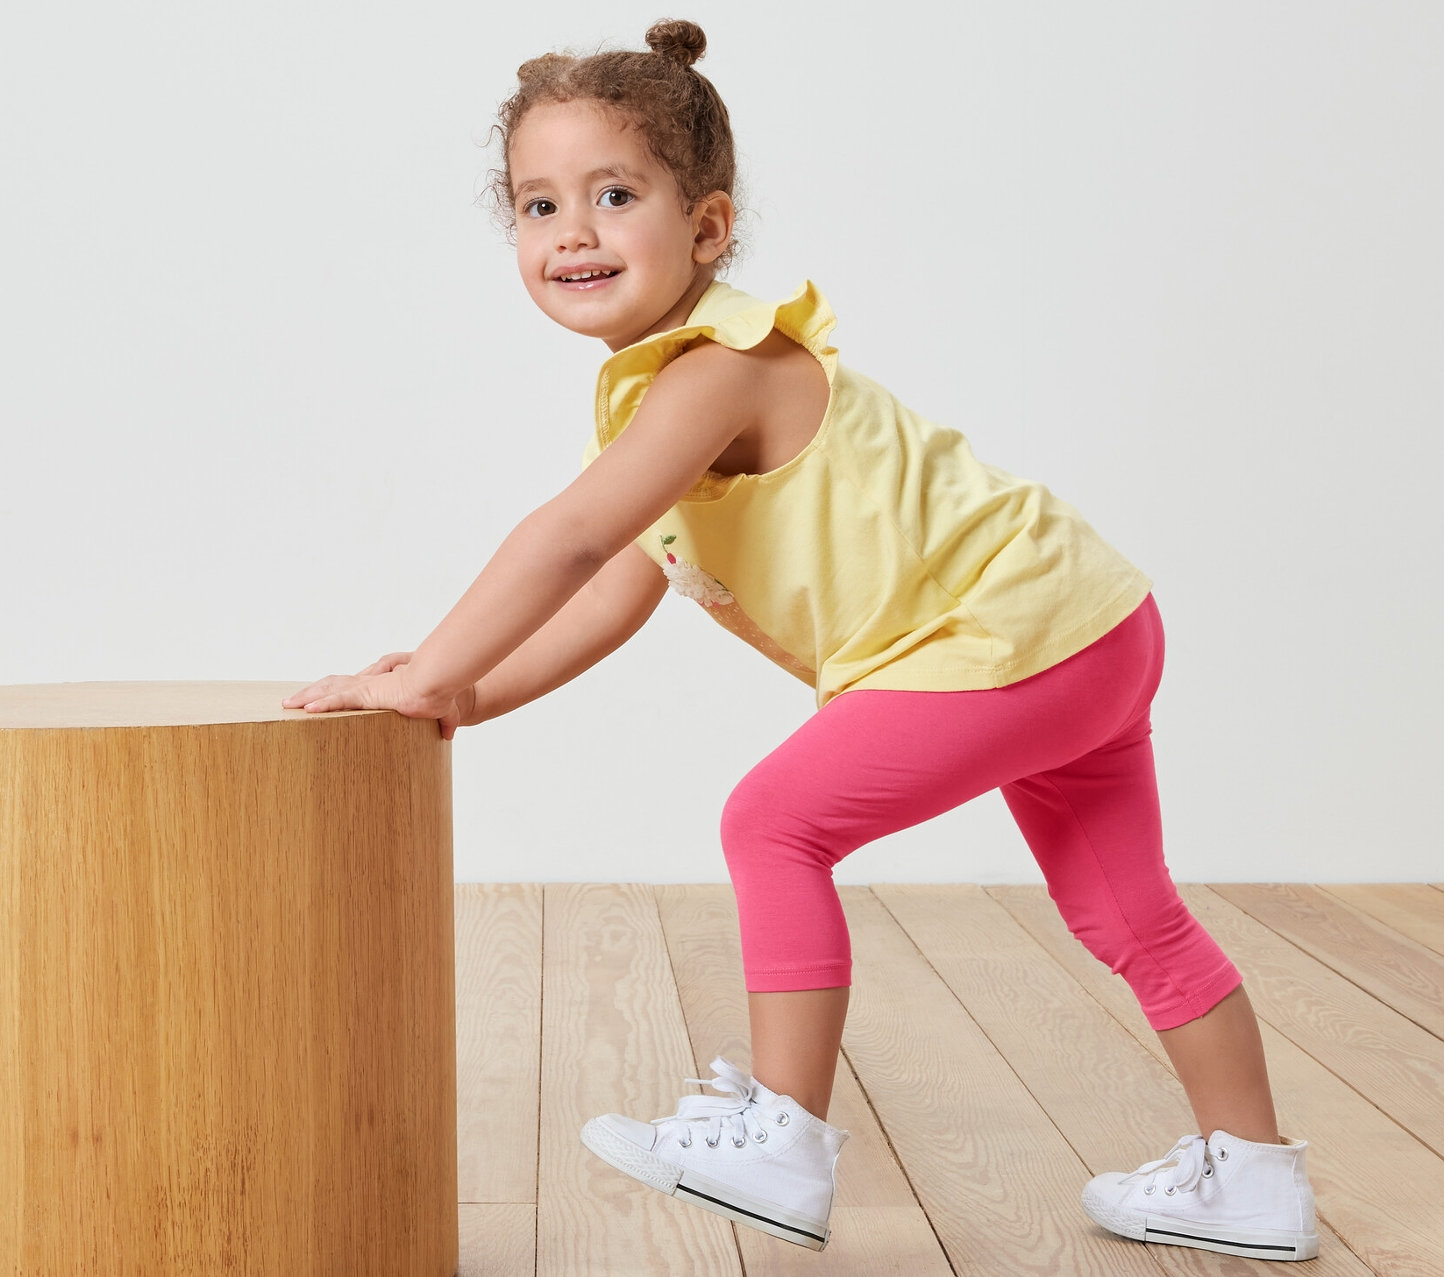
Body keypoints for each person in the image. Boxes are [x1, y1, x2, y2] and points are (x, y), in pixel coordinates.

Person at [284, 19, 1319, 1262]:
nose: (573, 231)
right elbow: (618, 580)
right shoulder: (663, 385)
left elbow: (565, 537)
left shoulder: (722, 365)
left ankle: (784, 1135)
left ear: (708, 227)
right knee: (1128, 909)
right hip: (1082, 622)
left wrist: (435, 664)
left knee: (775, 821)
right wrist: (465, 695)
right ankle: (1254, 1173)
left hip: (999, 635)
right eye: (537, 203)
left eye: (617, 195)